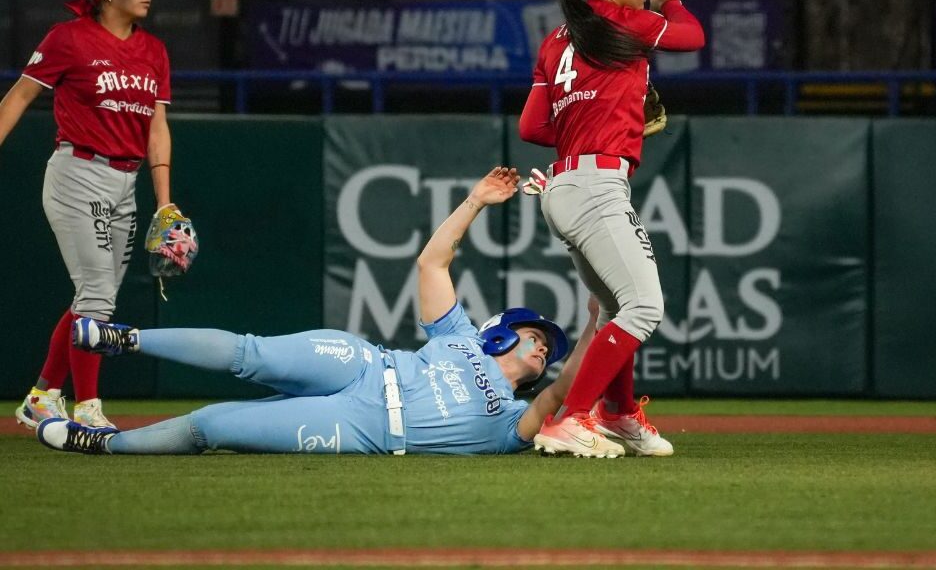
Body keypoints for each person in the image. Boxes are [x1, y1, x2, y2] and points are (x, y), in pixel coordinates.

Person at [36, 167, 620, 457]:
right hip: (365, 366)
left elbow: (564, 392)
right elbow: (432, 265)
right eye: (534, 334)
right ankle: (122, 337)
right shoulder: (464, 336)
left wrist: (596, 320)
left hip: (365, 430)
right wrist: (474, 201)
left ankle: (104, 444)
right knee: (250, 352)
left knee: (212, 425)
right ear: (500, 333)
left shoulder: (511, 423)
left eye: (548, 347)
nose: (544, 346)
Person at [518, 0, 705, 457]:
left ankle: (619, 414)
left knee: (612, 307)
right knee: (644, 307)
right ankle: (572, 418)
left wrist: (592, 119)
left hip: (564, 183)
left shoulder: (556, 41)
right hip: (595, 185)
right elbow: (691, 38)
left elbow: (533, 126)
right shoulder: (622, 21)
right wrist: (675, 4)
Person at [1, 0, 180, 431]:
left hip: (126, 179)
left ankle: (41, 396)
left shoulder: (154, 51)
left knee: (93, 298)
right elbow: (17, 97)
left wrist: (164, 203)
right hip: (77, 171)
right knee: (97, 295)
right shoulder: (69, 39)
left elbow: (157, 128)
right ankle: (88, 409)